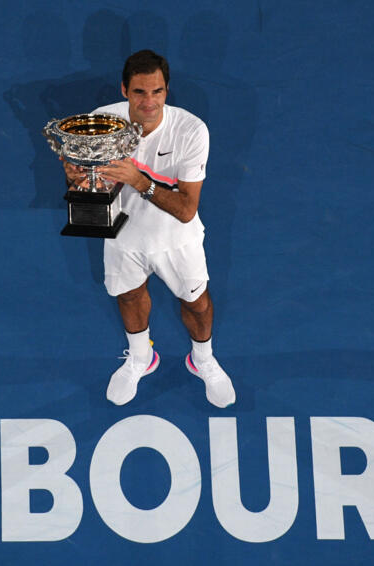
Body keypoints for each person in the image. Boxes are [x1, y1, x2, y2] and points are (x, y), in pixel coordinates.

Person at [62, 49, 235, 408]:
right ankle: (141, 357)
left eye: (157, 91)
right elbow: (99, 189)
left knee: (197, 304)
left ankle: (202, 359)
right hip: (123, 236)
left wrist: (140, 182)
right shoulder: (102, 122)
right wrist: (81, 180)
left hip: (177, 241)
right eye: (140, 92)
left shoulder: (190, 130)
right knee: (128, 296)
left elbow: (187, 210)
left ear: (166, 91)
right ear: (124, 89)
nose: (149, 101)